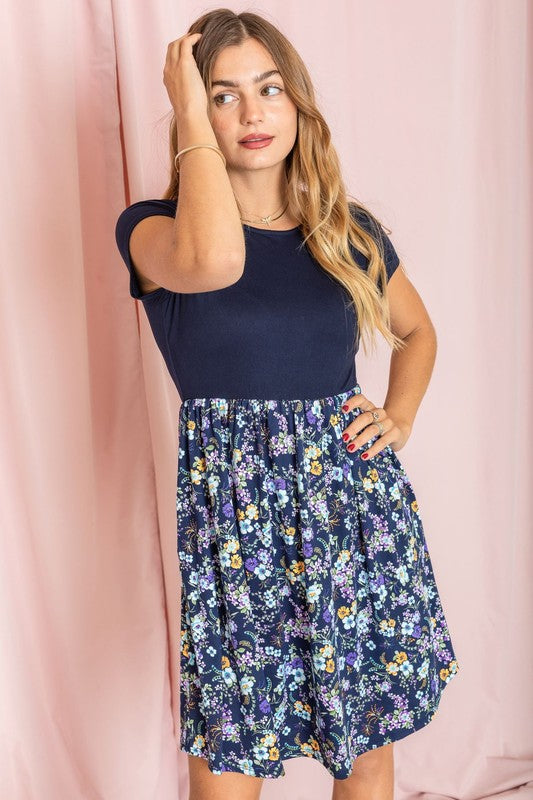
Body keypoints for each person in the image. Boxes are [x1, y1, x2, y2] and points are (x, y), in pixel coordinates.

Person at [115, 9, 460, 800]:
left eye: (269, 89)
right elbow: (218, 258)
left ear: (298, 103)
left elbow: (417, 334)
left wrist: (397, 416)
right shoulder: (152, 232)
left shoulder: (346, 232)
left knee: (365, 740)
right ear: (195, 111)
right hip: (235, 528)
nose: (254, 112)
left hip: (353, 516)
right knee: (233, 749)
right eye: (224, 95)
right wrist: (189, 116)